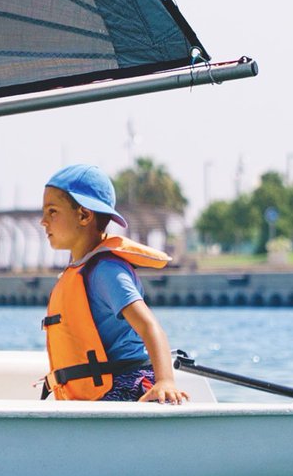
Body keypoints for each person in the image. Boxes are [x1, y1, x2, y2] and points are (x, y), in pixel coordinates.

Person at [40, 164, 188, 404]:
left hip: (125, 385)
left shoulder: (106, 272)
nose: (43, 221)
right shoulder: (79, 269)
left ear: (84, 215)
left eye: (52, 211)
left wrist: (165, 381)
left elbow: (149, 326)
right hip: (97, 389)